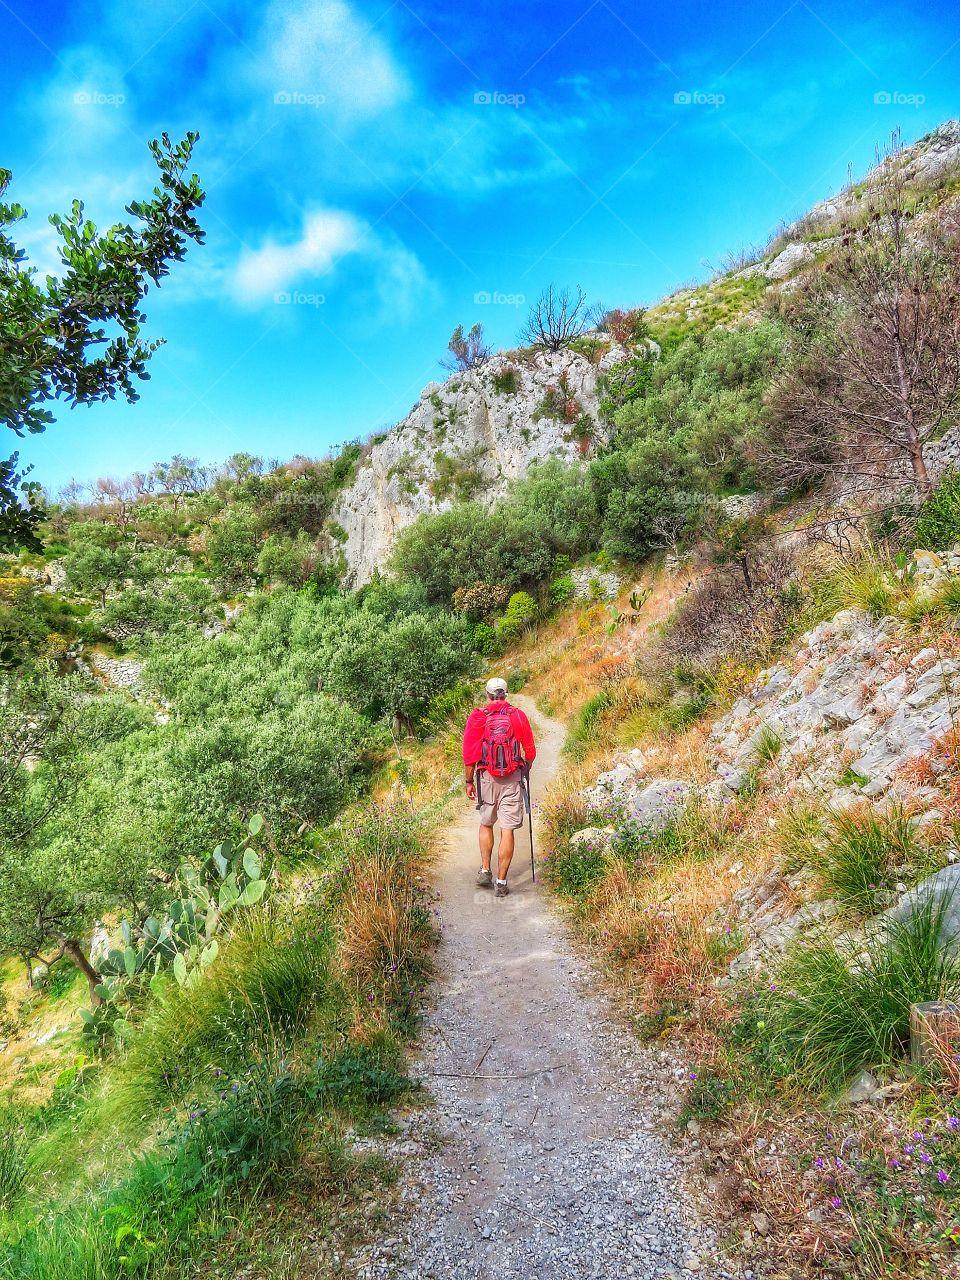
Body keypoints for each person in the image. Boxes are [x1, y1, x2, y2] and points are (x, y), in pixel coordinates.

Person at [462, 676, 537, 898]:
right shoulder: (517, 716)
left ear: (487, 695)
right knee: (507, 829)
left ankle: (485, 870)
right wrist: (525, 770)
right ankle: (501, 882)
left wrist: (468, 781)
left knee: (486, 823)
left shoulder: (478, 717)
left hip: (486, 777)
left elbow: (469, 755)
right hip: (512, 777)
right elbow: (530, 750)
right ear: (506, 694)